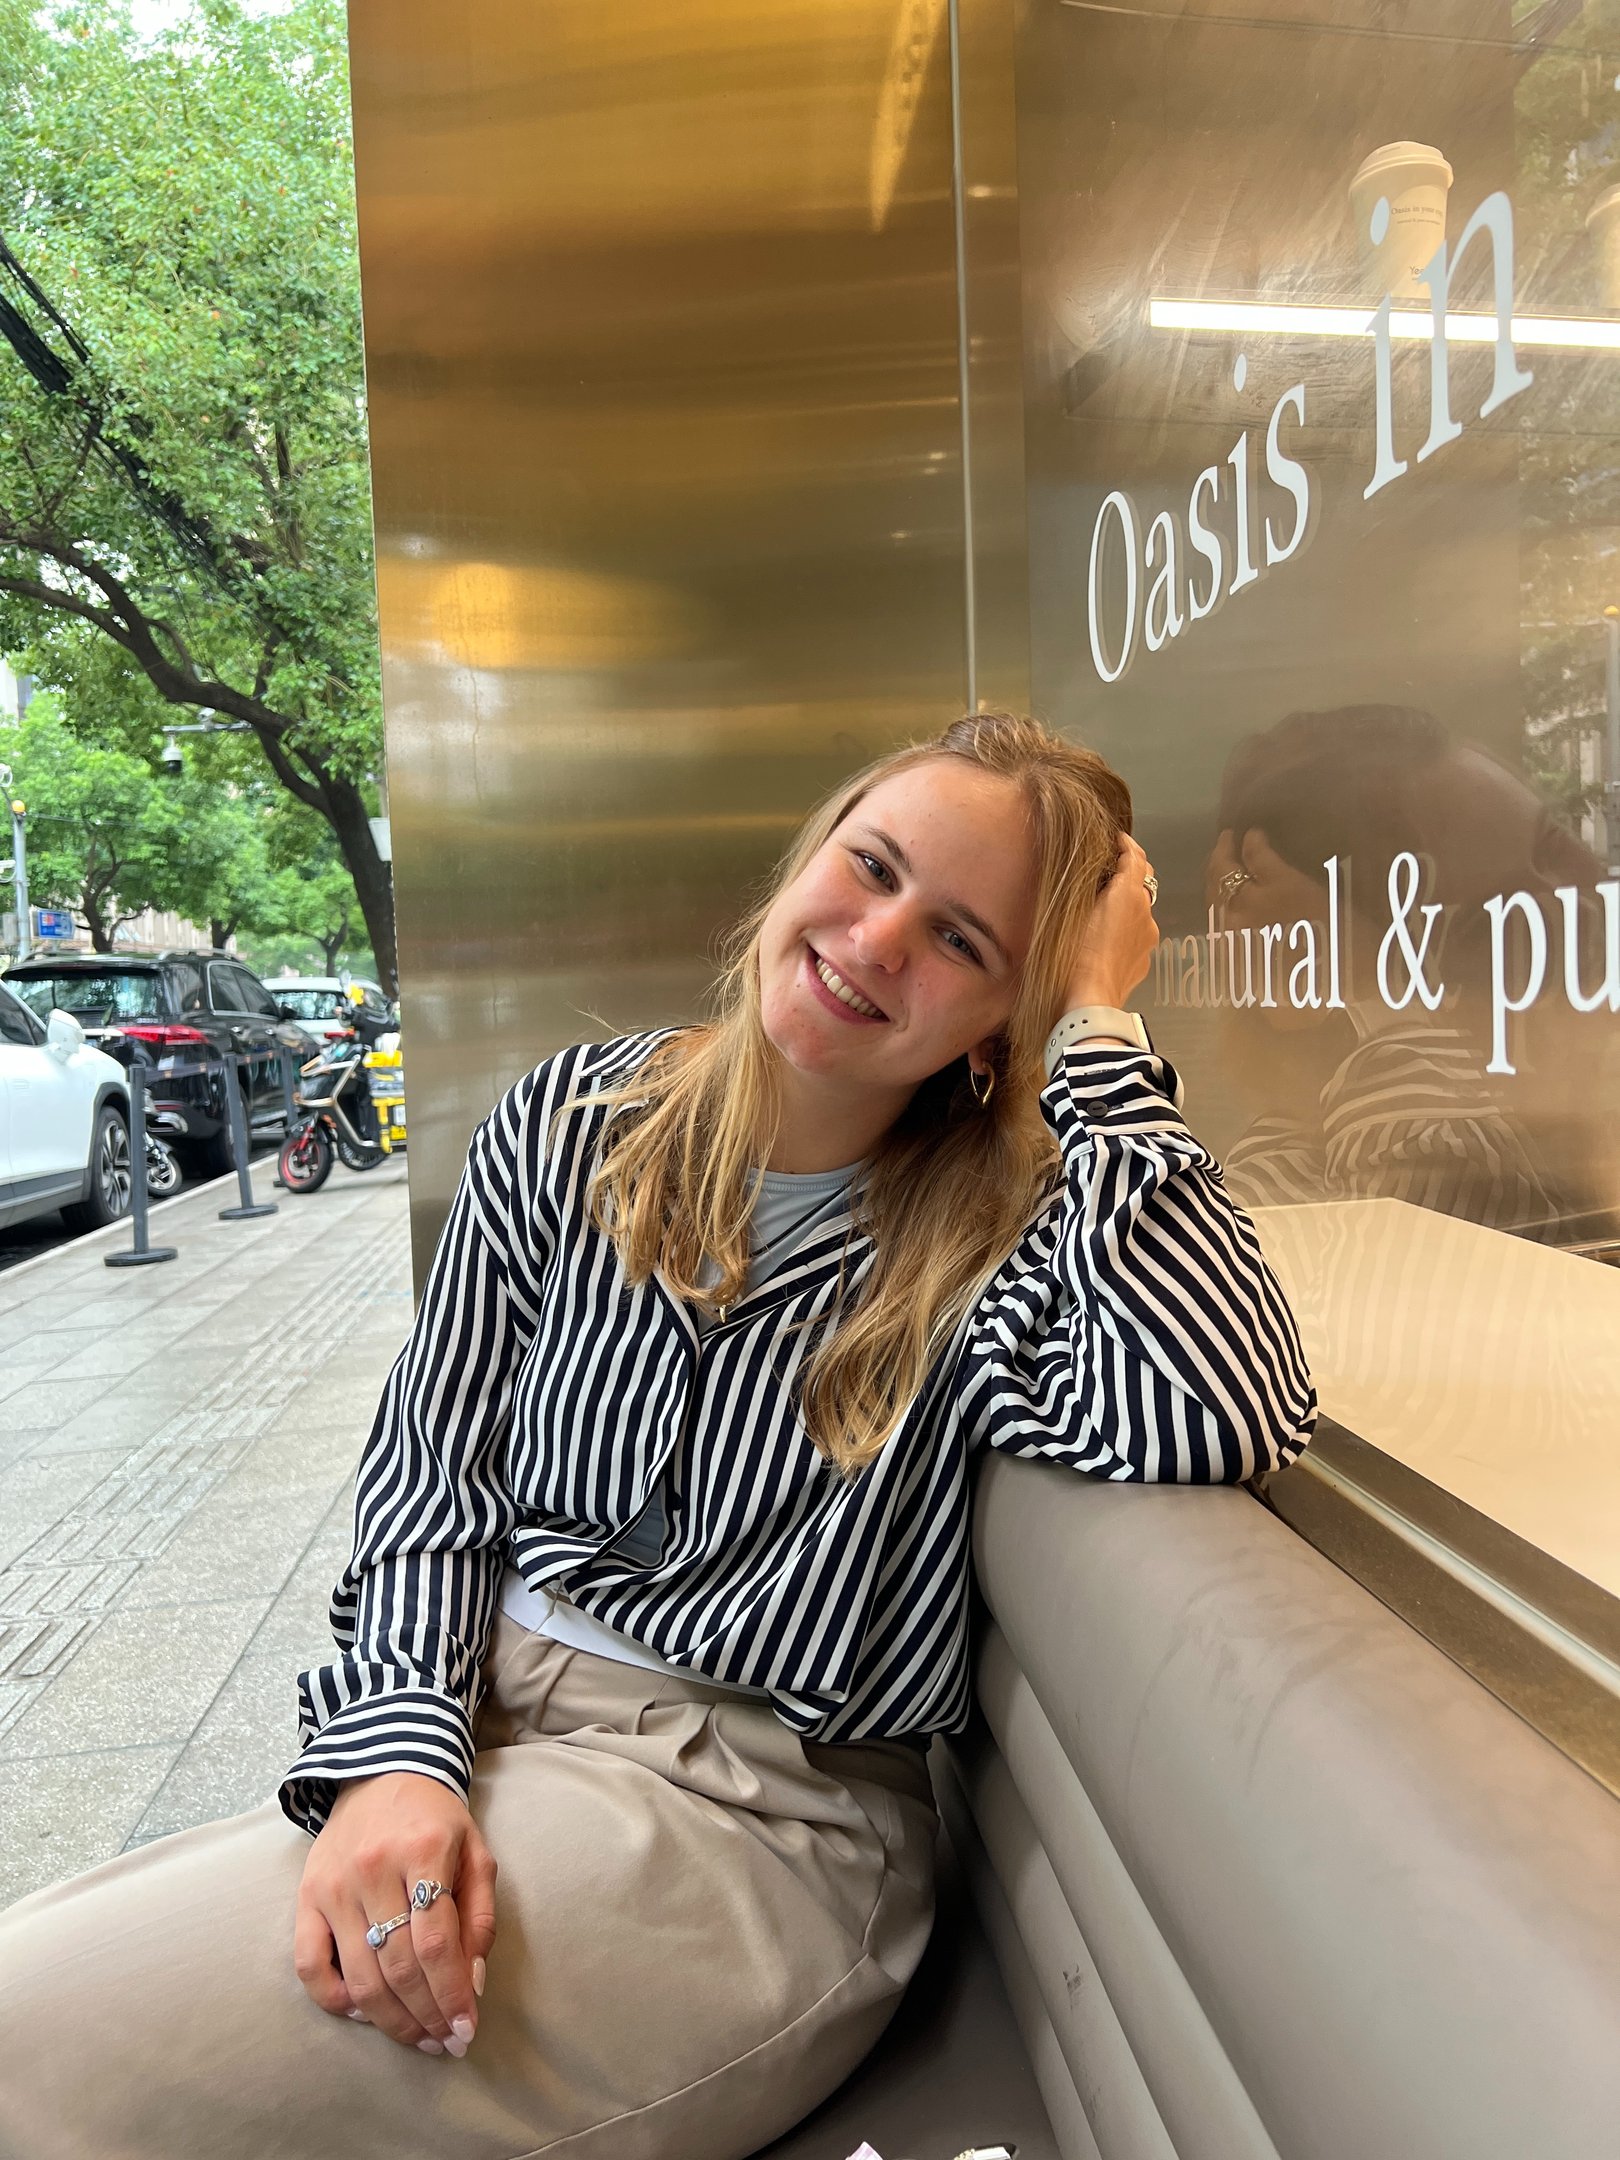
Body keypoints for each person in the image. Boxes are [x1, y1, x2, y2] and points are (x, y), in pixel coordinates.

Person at [0, 711, 1315, 2160]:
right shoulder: (575, 1119)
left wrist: (1105, 1026)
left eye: (963, 943)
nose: (877, 941)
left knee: (43, 2055)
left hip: (747, 1814)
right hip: (485, 1723)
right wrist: (395, 1759)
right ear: (806, 856)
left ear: (1009, 1024)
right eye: (868, 867)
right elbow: (432, 1476)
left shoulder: (1004, 1233)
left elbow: (1215, 1401)